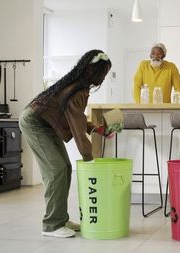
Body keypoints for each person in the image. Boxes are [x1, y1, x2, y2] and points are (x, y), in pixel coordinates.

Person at [19, 49, 113, 238]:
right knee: (56, 170)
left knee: (65, 168)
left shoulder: (79, 86)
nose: (103, 78)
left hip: (46, 123)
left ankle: (60, 218)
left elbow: (76, 118)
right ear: (91, 71)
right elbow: (78, 131)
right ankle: (51, 225)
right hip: (35, 123)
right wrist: (89, 159)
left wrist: (95, 128)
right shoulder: (77, 89)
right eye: (102, 72)